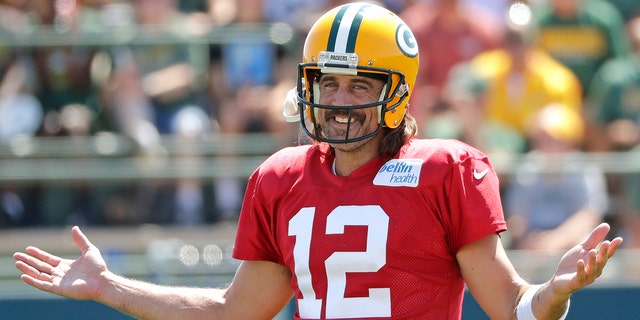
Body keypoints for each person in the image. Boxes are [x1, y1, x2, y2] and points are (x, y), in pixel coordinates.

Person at [13, 3, 623, 319]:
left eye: (359, 86)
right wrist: (107, 286)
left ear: (399, 93)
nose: (337, 100)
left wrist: (556, 294)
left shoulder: (448, 169)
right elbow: (234, 311)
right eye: (326, 83)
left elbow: (514, 306)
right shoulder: (280, 178)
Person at [504, 103, 609, 252]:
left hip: (571, 240)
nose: (548, 145)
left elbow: (589, 214)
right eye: (542, 139)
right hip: (533, 239)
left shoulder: (584, 168)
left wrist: (558, 239)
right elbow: (517, 216)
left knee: (590, 247)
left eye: (555, 139)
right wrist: (526, 239)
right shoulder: (527, 169)